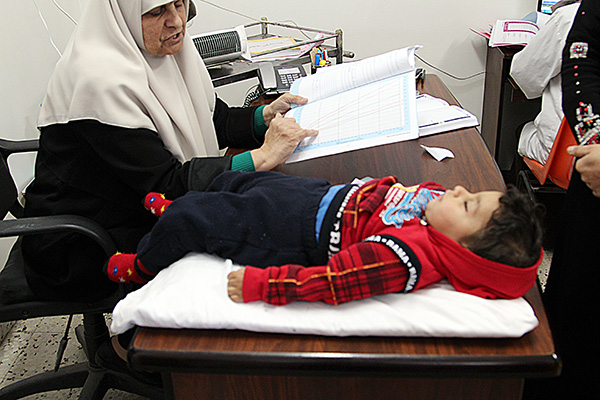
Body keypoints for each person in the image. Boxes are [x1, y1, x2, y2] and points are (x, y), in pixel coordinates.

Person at [21, 0, 317, 303]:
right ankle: (126, 349)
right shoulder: (99, 81)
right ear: (124, 16)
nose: (177, 21)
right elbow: (167, 186)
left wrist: (263, 117)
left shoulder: (167, 52)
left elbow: (214, 119)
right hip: (85, 242)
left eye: (179, 4)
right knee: (239, 235)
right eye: (156, 11)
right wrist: (262, 156)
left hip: (133, 208)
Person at [106, 170, 544, 305]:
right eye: (474, 194)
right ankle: (178, 208)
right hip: (325, 198)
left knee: (199, 220)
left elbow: (334, 282)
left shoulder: (405, 258)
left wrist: (266, 285)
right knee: (236, 180)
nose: (460, 191)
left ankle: (143, 264)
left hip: (295, 231)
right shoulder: (438, 214)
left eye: (468, 205)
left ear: (460, 252)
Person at [523, 0, 600, 397]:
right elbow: (582, 61)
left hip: (576, 160)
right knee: (572, 305)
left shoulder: (562, 15)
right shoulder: (585, 14)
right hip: (592, 168)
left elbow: (525, 75)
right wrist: (597, 141)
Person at [510, 0, 580, 165]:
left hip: (567, 156)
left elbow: (524, 76)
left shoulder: (569, 17)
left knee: (522, 130)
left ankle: (515, 189)